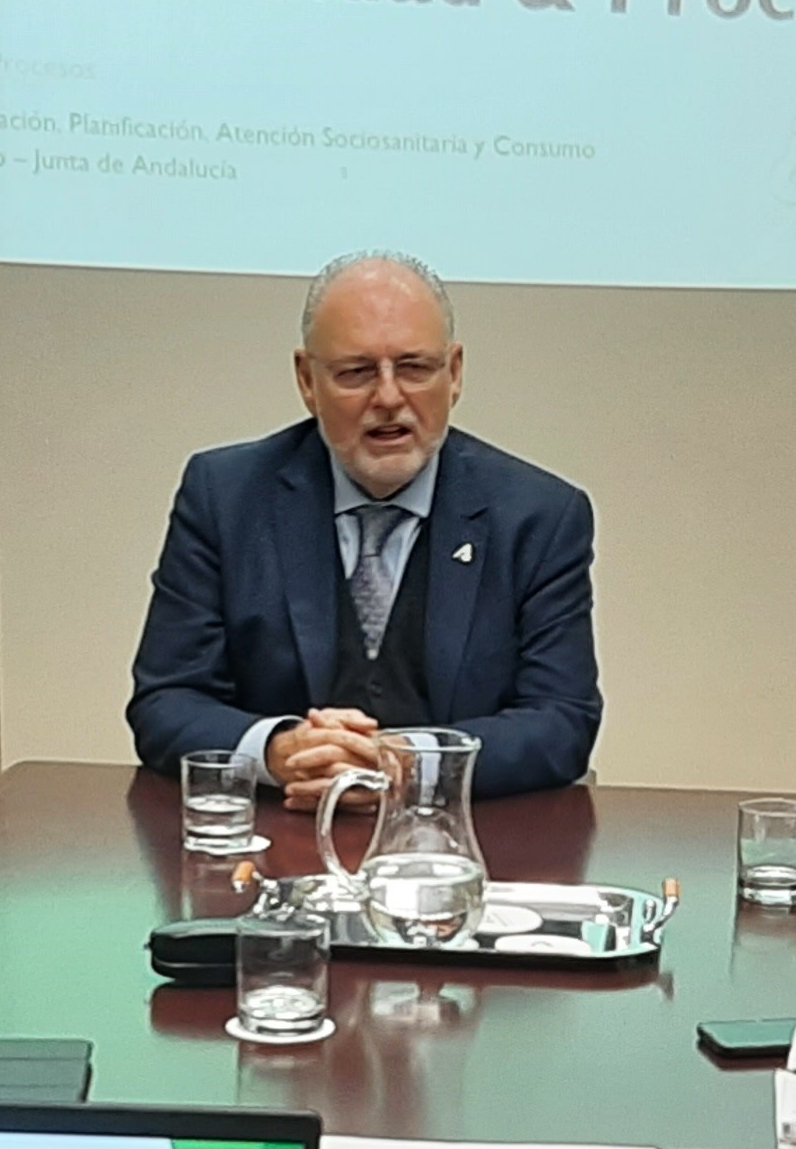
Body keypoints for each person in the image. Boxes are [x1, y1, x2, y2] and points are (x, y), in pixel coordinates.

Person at [126, 250, 600, 804]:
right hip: (277, 841)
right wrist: (280, 752)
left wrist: (404, 764)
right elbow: (166, 701)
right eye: (356, 373)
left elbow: (562, 723)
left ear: (455, 373)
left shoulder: (539, 515)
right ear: (307, 379)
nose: (389, 398)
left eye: (415, 368)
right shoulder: (225, 496)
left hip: (463, 851)